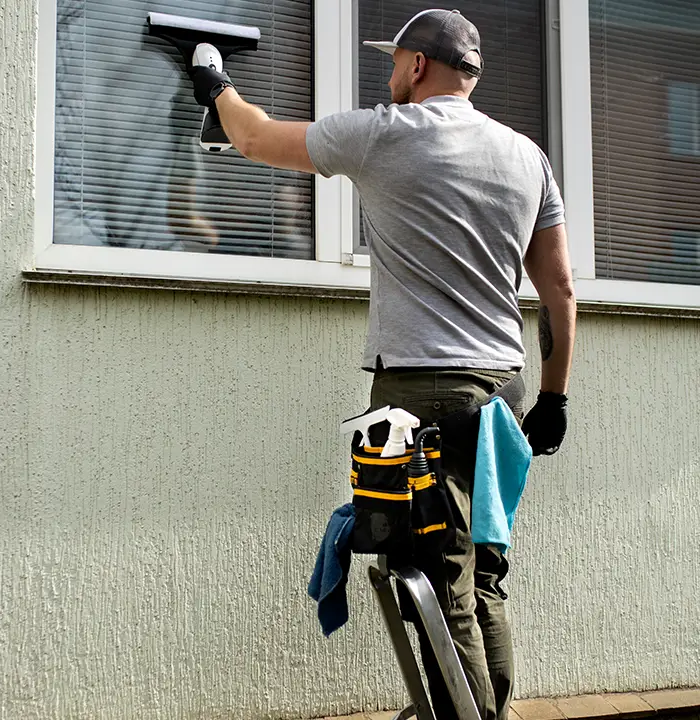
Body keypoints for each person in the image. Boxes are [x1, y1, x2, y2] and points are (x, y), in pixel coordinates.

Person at [190, 8, 576, 720]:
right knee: (483, 575)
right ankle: (495, 711)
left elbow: (249, 135)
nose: (388, 75)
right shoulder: (529, 156)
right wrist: (555, 397)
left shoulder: (382, 134)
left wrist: (213, 82)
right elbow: (558, 288)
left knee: (439, 584)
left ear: (420, 66)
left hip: (420, 398)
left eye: (394, 62)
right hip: (505, 394)